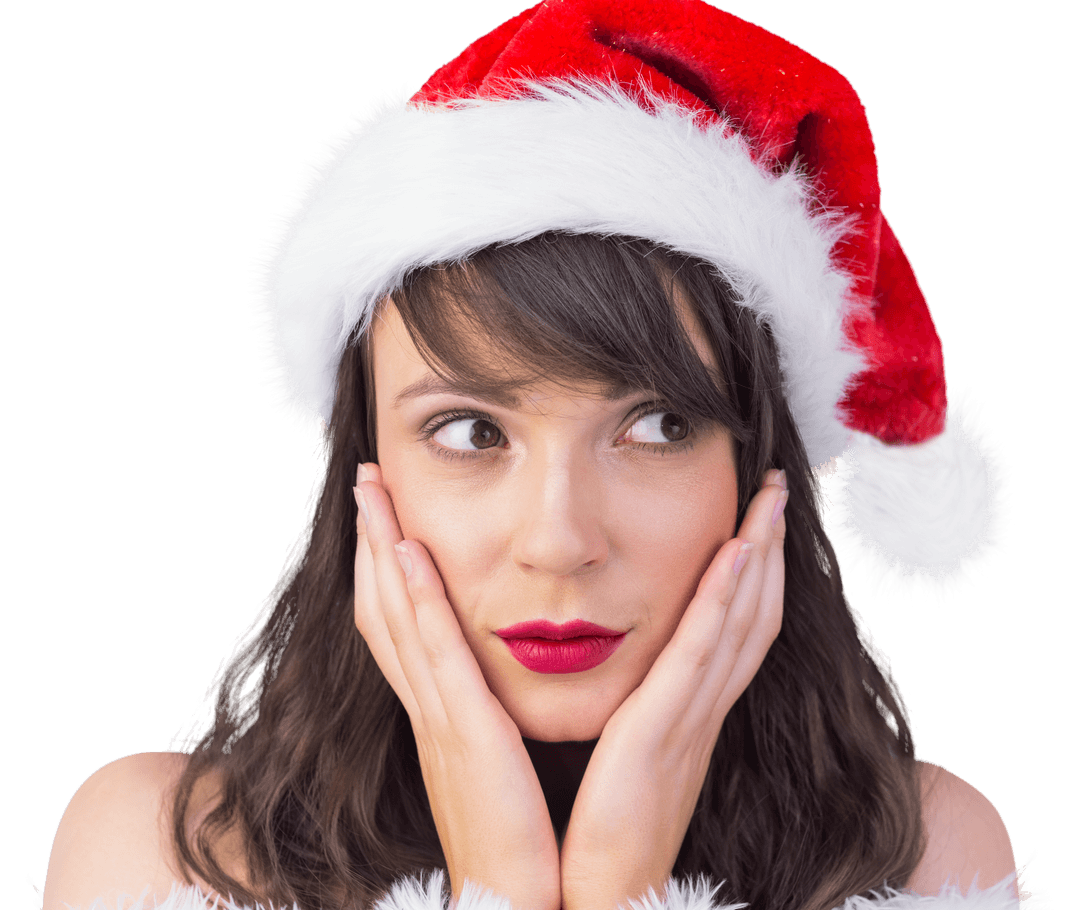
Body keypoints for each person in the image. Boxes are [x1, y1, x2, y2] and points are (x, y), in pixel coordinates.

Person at [38, 2, 1048, 909]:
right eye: (473, 432)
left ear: (759, 472)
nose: (559, 541)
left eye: (657, 426)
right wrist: (495, 889)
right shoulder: (161, 859)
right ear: (366, 468)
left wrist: (625, 891)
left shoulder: (919, 862)